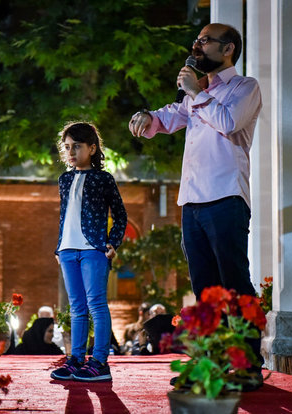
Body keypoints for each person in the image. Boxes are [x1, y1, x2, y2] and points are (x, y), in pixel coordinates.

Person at [128, 23, 264, 389]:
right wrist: (149, 118)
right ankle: (209, 368)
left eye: (205, 41)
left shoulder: (244, 87)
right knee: (205, 291)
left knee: (234, 286)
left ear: (229, 48)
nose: (196, 46)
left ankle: (249, 365)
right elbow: (172, 115)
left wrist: (194, 93)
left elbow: (227, 122)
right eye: (197, 41)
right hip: (192, 202)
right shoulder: (198, 93)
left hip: (226, 199)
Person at [50, 121, 127, 382]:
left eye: (77, 146)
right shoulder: (64, 179)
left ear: (92, 148)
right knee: (76, 306)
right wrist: (59, 246)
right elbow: (65, 216)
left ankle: (100, 362)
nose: (71, 152)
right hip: (67, 250)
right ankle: (76, 359)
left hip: (94, 248)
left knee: (96, 304)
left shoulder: (103, 179)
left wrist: (112, 242)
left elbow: (120, 215)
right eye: (67, 147)